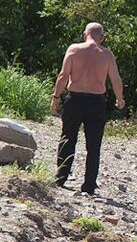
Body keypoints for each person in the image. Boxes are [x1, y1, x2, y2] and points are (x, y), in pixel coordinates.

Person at [51, 22, 125, 195]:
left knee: (68, 138)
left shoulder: (74, 49)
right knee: (93, 145)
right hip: (96, 102)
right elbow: (115, 79)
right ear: (102, 37)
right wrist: (119, 98)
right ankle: (89, 185)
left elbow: (63, 75)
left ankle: (61, 177)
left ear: (85, 34)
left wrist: (55, 97)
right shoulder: (106, 55)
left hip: (74, 99)